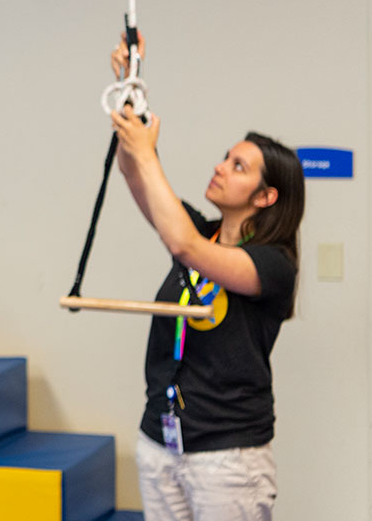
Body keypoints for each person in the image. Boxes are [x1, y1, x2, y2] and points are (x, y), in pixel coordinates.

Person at [108, 37, 305, 521]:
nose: (220, 166)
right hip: (160, 441)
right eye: (225, 157)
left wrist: (149, 154)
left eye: (238, 166)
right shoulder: (201, 229)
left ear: (264, 197)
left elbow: (184, 248)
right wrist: (128, 89)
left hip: (228, 458)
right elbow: (135, 176)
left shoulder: (273, 265)